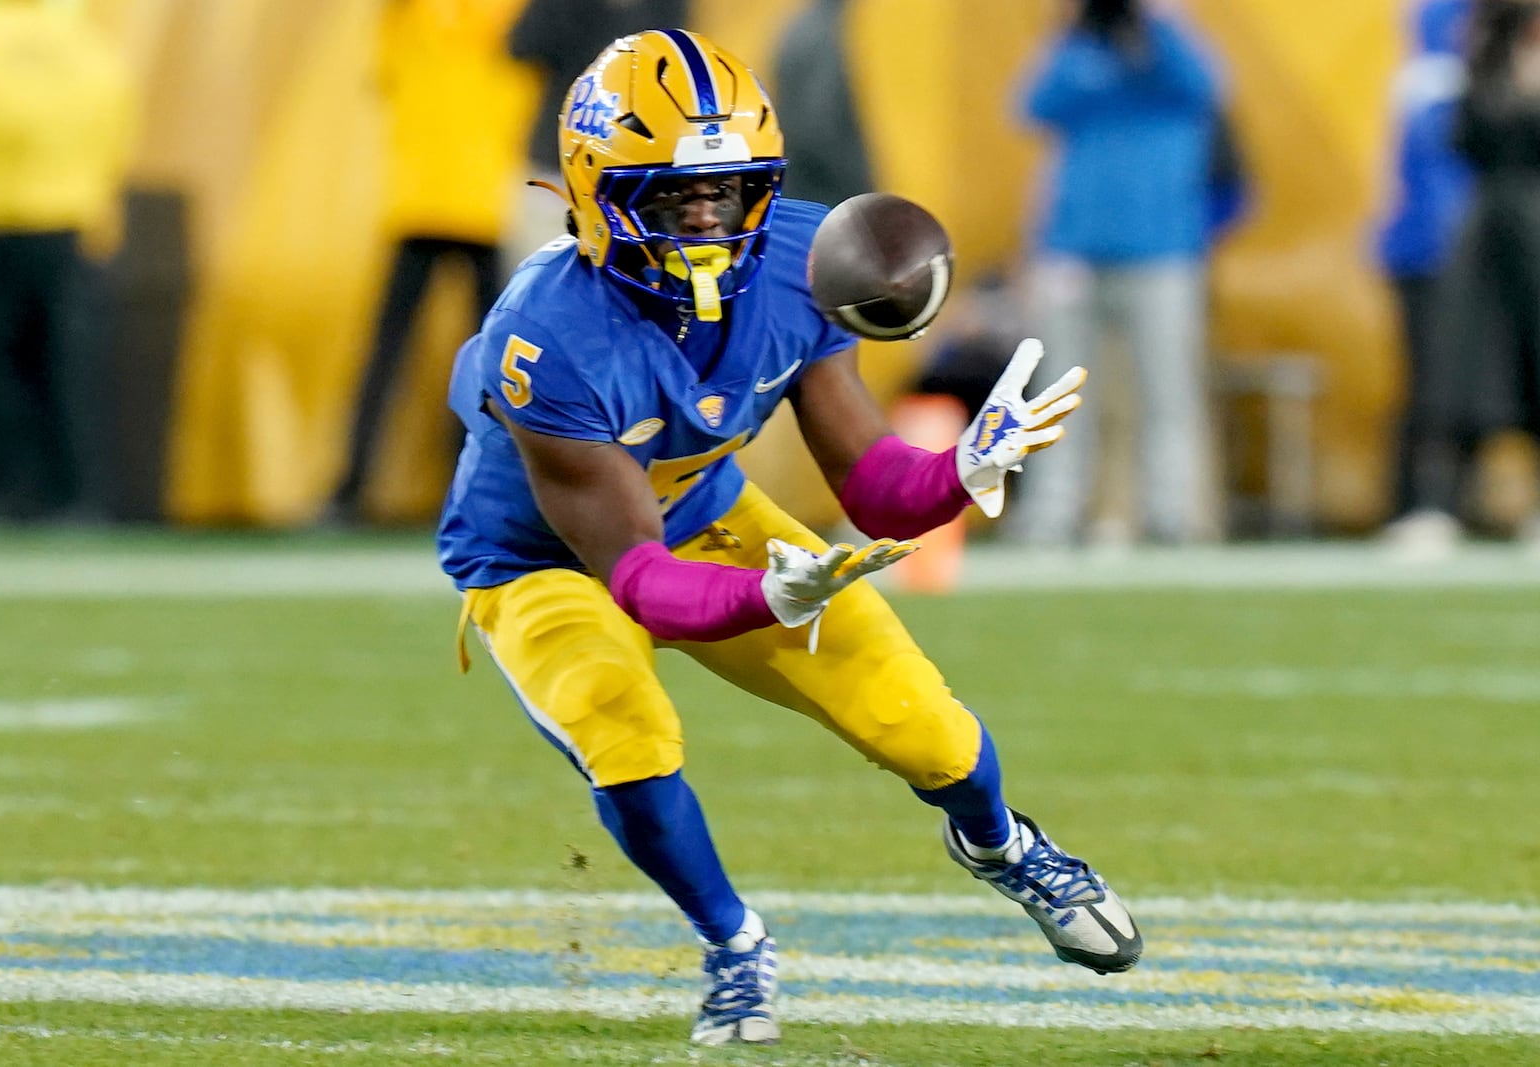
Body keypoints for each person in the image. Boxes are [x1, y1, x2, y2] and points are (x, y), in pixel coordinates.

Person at [438, 29, 1140, 1047]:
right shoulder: (546, 339)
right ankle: (733, 941)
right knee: (620, 723)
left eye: (729, 190)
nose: (709, 219)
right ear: (597, 192)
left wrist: (962, 470)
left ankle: (1001, 843)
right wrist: (757, 599)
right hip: (543, 557)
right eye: (675, 196)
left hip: (710, 516)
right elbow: (634, 576)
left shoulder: (800, 264)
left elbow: (874, 484)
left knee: (918, 720)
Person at [1006, 0, 1229, 547]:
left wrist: (1157, 19)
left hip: (1162, 250)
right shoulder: (1080, 48)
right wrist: (1077, 25)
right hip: (1074, 249)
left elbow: (1206, 87)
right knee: (1061, 389)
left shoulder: (1171, 53)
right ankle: (1052, 514)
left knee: (1169, 389)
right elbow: (1031, 105)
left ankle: (1173, 514)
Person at [326, 0, 536, 524]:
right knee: (493, 365)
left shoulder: (408, 17)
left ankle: (350, 490)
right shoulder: (505, 15)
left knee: (398, 354)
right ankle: (477, 494)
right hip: (478, 202)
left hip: (435, 199)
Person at [0, 0, 135, 522]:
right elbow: (116, 131)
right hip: (69, 223)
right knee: (67, 369)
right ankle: (77, 496)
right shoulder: (91, 49)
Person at [1397, 0, 1540, 550]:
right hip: (1489, 230)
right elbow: (1464, 137)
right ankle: (1438, 504)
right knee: (1465, 367)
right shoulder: (1483, 49)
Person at [1377, 0, 1476, 554]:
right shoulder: (1434, 76)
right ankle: (1428, 502)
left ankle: (1435, 503)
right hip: (1440, 253)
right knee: (1437, 383)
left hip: (1455, 248)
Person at [503, 0, 687, 269]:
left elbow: (672, 64)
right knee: (537, 281)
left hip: (631, 171)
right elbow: (521, 45)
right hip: (562, 165)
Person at [769, 0, 875, 208]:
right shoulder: (827, 30)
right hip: (830, 189)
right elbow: (817, 126)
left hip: (807, 182)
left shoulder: (803, 26)